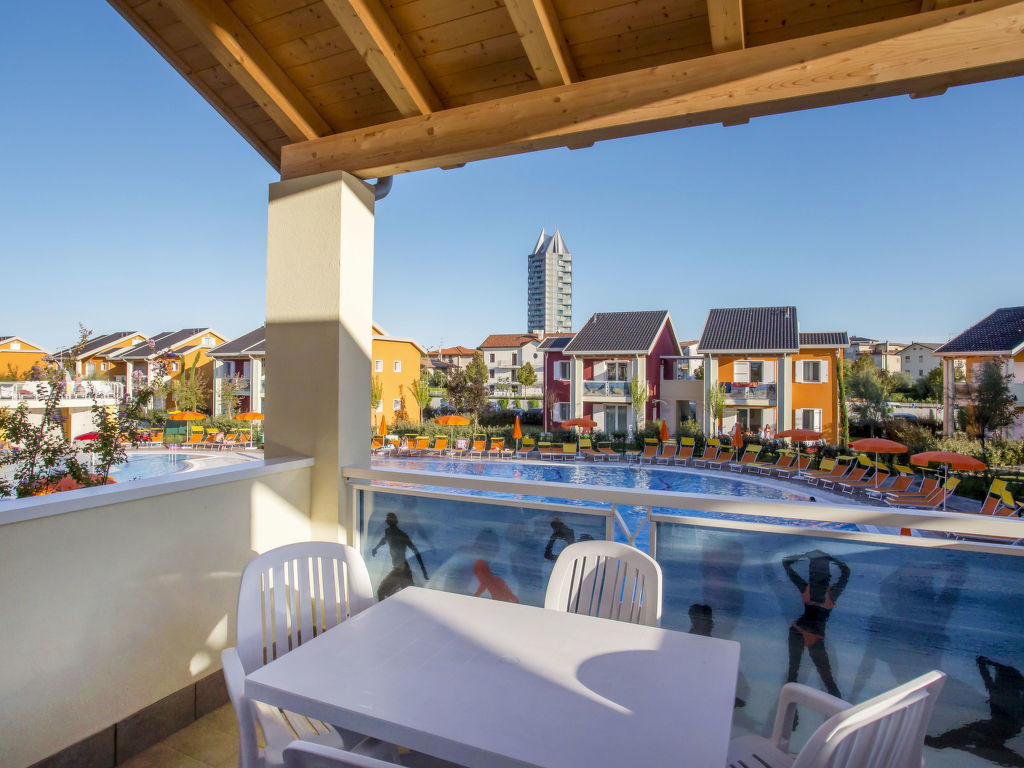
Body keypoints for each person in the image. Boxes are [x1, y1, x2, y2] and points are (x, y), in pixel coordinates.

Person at [782, 549, 850, 699]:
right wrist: (830, 558)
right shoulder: (831, 593)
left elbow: (786, 563)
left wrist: (804, 555)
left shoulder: (807, 588)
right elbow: (846, 572)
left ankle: (790, 711)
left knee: (795, 674)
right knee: (826, 678)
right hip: (810, 635)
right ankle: (839, 708)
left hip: (799, 632)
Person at [371, 512, 429, 601]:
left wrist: (423, 570)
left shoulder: (402, 536)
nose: (387, 522)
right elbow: (384, 539)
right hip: (397, 570)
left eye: (390, 520)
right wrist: (376, 548)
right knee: (383, 592)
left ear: (395, 522)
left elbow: (416, 551)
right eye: (387, 520)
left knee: (409, 598)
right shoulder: (388, 532)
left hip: (404, 571)